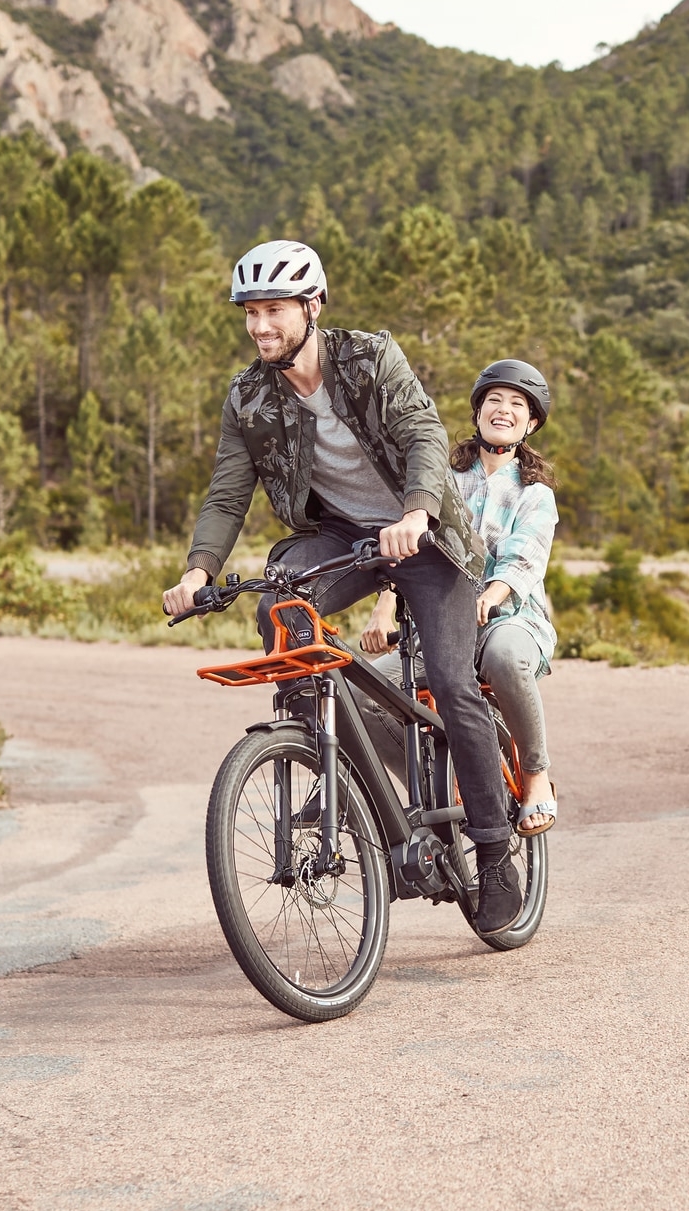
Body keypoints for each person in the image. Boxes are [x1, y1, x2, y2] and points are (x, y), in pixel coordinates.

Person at [161, 239, 525, 933]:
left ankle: (495, 848)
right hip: (342, 539)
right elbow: (226, 492)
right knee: (279, 602)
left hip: (426, 537)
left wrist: (416, 511)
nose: (260, 326)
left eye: (273, 310)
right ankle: (323, 757)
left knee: (451, 683)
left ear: (311, 304)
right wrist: (198, 571)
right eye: (250, 313)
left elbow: (422, 432)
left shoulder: (369, 357)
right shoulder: (248, 396)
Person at [360, 360, 560, 836]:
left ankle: (537, 777)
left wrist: (489, 596)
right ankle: (434, 782)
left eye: (517, 404)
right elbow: (406, 546)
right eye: (494, 400)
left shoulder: (535, 494)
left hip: (509, 620)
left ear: (530, 423)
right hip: (439, 624)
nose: (504, 410)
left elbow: (524, 559)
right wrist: (384, 607)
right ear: (478, 412)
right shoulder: (440, 480)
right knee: (361, 690)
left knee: (507, 659)